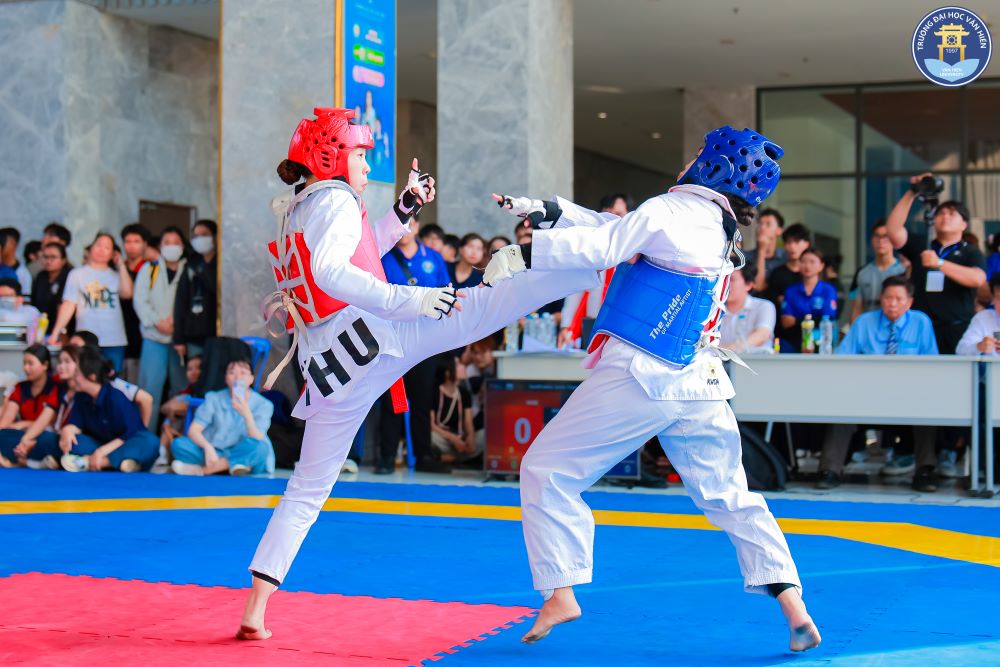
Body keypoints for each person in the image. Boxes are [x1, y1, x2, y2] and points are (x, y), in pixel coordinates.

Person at [238, 107, 599, 641]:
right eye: (360, 154)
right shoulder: (336, 200)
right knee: (485, 304)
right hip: (377, 335)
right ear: (331, 156)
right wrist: (411, 300)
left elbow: (357, 255)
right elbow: (334, 273)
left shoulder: (301, 206)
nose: (367, 164)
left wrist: (403, 209)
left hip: (332, 369)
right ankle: (592, 263)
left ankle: (256, 608)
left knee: (306, 489)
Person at [482, 126, 820, 652]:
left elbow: (608, 244)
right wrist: (552, 211)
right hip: (700, 382)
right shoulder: (719, 227)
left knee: (546, 469)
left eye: (698, 154)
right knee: (731, 496)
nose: (688, 161)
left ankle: (561, 590)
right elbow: (623, 230)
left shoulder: (671, 209)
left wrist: (527, 253)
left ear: (714, 165)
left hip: (643, 373)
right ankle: (793, 603)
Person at [817, 276, 939, 491]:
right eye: (888, 298)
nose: (892, 303)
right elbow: (842, 358)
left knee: (929, 410)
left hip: (909, 395)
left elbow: (932, 365)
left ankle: (925, 472)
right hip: (866, 395)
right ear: (881, 299)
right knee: (841, 407)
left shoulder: (921, 322)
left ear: (909, 302)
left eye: (899, 299)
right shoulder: (864, 322)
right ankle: (830, 470)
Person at [378, 208, 453, 474]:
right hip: (393, 340)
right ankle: (387, 457)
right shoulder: (384, 256)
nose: (404, 230)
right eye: (399, 225)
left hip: (426, 340)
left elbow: (447, 292)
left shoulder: (432, 257)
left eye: (409, 224)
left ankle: (423, 456)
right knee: (394, 400)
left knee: (422, 400)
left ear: (418, 226)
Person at [885, 173, 986, 354]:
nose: (945, 216)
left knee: (955, 371)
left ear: (964, 224)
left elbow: (977, 278)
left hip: (956, 329)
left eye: (952, 213)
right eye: (941, 213)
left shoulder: (970, 251)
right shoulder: (923, 245)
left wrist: (939, 263)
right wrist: (912, 192)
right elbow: (893, 231)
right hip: (920, 328)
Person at [58, 345, 159, 472]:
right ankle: (123, 463)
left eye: (77, 373)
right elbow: (76, 423)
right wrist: (68, 429)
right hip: (100, 442)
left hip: (123, 442)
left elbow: (129, 433)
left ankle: (96, 462)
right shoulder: (81, 396)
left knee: (150, 442)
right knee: (73, 442)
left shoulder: (115, 397)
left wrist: (101, 452)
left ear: (92, 377)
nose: (74, 377)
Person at [171, 359, 274, 476]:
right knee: (178, 444)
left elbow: (258, 437)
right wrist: (208, 447)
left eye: (243, 373)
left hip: (243, 451)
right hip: (215, 452)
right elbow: (193, 430)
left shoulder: (264, 404)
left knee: (260, 448)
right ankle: (232, 466)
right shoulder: (213, 398)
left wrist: (247, 415)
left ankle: (203, 470)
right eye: (232, 372)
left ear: (251, 379)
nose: (237, 377)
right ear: (226, 379)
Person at [47, 233, 134, 372]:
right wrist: (55, 332)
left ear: (113, 254)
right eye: (98, 245)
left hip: (114, 339)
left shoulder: (116, 275)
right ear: (91, 248)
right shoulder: (77, 274)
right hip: (85, 339)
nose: (101, 249)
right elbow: (69, 304)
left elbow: (127, 293)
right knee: (84, 375)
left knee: (111, 378)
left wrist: (121, 265)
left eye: (107, 247)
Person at [558, 194, 632, 348]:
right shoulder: (589, 252)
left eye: (618, 214)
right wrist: (566, 326)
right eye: (607, 214)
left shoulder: (635, 254)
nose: (611, 219)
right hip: (591, 327)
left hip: (623, 329)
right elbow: (575, 290)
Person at [134, 226, 188, 418]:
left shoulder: (189, 269)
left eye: (176, 242)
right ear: (160, 246)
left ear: (183, 246)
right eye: (167, 242)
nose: (171, 246)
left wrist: (178, 324)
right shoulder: (150, 269)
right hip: (154, 338)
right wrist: (157, 322)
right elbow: (140, 301)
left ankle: (177, 433)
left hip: (180, 341)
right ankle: (146, 432)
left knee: (182, 391)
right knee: (149, 391)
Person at [0, 345, 63, 469]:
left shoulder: (56, 387)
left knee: (50, 440)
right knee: (3, 435)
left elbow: (53, 422)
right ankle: (32, 461)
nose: (25, 368)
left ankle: (22, 460)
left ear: (45, 365)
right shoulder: (20, 388)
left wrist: (24, 424)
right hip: (21, 436)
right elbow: (5, 422)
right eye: (24, 363)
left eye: (30, 363)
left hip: (44, 434)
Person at [173, 219, 218, 362]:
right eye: (196, 236)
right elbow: (181, 302)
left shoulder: (222, 263)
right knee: (195, 373)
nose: (200, 239)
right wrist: (179, 338)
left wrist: (203, 271)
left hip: (218, 333)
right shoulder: (191, 264)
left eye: (204, 234)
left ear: (215, 237)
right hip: (194, 335)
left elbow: (217, 289)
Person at [779, 247, 837, 351]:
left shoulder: (828, 290)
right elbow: (786, 322)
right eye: (803, 261)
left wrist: (797, 320)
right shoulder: (791, 290)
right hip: (794, 340)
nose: (807, 266)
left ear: (821, 266)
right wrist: (814, 318)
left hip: (820, 340)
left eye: (812, 262)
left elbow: (827, 319)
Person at [849, 222, 907, 322]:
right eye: (877, 236)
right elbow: (857, 309)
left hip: (896, 327)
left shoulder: (903, 271)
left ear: (893, 240)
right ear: (872, 240)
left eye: (885, 236)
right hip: (869, 327)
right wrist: (854, 329)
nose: (881, 241)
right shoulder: (862, 273)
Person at [429, 355, 477, 464]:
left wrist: (470, 436)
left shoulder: (464, 393)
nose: (462, 366)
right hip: (443, 437)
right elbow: (431, 426)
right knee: (431, 437)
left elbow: (468, 424)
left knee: (483, 436)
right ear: (447, 372)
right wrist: (453, 438)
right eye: (458, 364)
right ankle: (459, 458)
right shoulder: (434, 392)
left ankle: (449, 458)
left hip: (460, 437)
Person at [720, 263, 776, 355]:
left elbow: (762, 335)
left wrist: (723, 350)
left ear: (748, 285)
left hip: (756, 362)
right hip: (719, 362)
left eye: (731, 280)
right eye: (722, 279)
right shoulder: (713, 310)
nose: (724, 284)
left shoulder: (764, 306)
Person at [120, 223, 151, 382]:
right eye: (127, 241)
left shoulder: (151, 270)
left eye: (136, 241)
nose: (131, 246)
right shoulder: (117, 268)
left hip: (141, 332)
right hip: (119, 330)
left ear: (145, 244)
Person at [762, 222, 811, 310]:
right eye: (788, 242)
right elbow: (771, 304)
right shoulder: (777, 274)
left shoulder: (812, 273)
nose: (792, 246)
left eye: (796, 242)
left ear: (807, 244)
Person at [31, 243, 73, 336]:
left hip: (63, 331)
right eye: (45, 257)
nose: (48, 261)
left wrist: (62, 332)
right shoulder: (41, 276)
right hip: (41, 328)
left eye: (53, 257)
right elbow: (34, 303)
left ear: (63, 260)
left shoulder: (70, 276)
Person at [742, 208, 786, 292]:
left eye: (768, 224)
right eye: (760, 223)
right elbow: (757, 286)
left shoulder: (785, 258)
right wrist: (762, 251)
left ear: (779, 231)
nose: (762, 227)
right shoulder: (744, 257)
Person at [957, 273, 1000, 356]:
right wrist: (979, 347)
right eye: (999, 298)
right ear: (993, 299)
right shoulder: (983, 318)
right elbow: (961, 351)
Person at [0, 227, 32, 296]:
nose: (1, 246)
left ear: (12, 243)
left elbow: (25, 298)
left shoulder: (22, 273)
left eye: (2, 242)